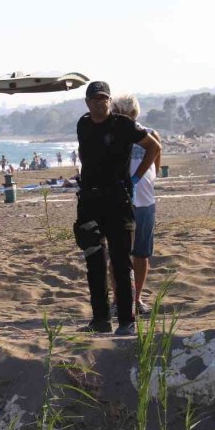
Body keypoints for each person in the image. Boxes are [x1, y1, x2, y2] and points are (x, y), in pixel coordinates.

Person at [74, 81, 160, 336]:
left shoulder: (123, 125)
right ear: (87, 102)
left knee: (121, 262)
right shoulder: (83, 124)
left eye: (104, 98)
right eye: (95, 99)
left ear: (110, 101)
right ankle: (100, 320)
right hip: (89, 201)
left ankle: (126, 321)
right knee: (94, 262)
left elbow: (154, 147)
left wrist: (136, 178)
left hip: (117, 201)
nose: (100, 103)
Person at [113, 94, 162, 315]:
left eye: (121, 112)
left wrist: (139, 180)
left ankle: (137, 299)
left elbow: (156, 161)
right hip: (119, 201)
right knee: (118, 254)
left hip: (145, 201)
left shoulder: (150, 134)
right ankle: (118, 300)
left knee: (141, 254)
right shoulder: (114, 135)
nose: (117, 115)